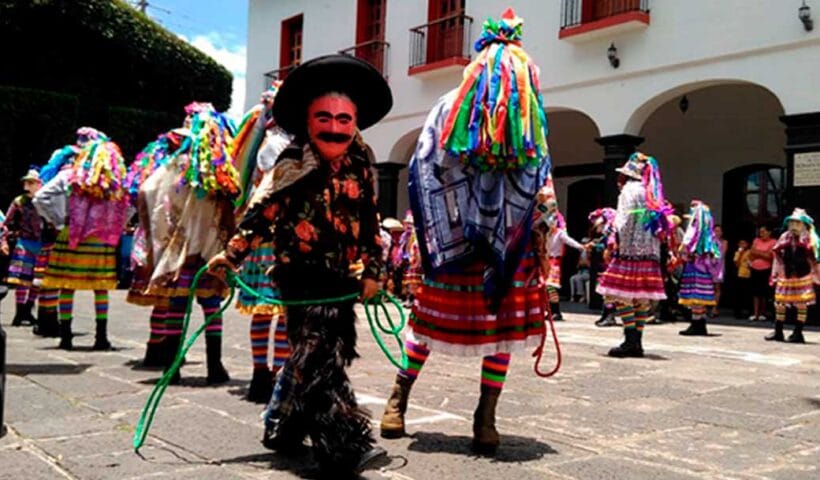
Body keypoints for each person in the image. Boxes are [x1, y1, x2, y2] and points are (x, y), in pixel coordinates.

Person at [208, 54, 392, 475]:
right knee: (320, 361)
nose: (335, 127)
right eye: (324, 117)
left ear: (356, 122)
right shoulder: (290, 164)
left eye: (345, 119)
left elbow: (369, 223)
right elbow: (261, 213)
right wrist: (231, 253)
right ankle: (344, 447)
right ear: (308, 122)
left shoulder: (363, 166)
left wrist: (375, 272)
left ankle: (285, 429)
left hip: (342, 279)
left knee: (319, 356)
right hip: (299, 279)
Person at [379, 9, 551, 455]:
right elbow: (429, 167)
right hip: (458, 243)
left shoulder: (529, 114)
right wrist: (454, 224)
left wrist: (539, 221)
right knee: (428, 323)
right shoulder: (447, 109)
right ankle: (399, 396)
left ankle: (485, 414)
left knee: (502, 330)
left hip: (507, 242)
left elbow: (539, 174)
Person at [130, 103, 237, 384]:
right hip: (210, 250)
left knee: (178, 306)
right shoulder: (220, 170)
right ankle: (215, 366)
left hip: (180, 251)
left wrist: (165, 225)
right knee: (211, 305)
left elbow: (147, 190)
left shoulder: (174, 166)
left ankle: (171, 367)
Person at [33, 130, 129, 351]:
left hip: (71, 236)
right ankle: (101, 337)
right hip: (100, 239)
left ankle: (66, 336)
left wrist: (58, 220)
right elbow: (127, 203)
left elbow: (40, 197)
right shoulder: (111, 179)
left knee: (67, 286)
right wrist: (118, 224)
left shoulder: (68, 175)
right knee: (101, 289)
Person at [230, 84, 293, 402]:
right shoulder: (279, 142)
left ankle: (262, 374)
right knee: (280, 312)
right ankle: (270, 374)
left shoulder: (265, 141)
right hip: (278, 235)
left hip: (265, 235)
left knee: (267, 311)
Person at [596, 153, 672, 357]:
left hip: (629, 251)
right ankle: (637, 342)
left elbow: (623, 220)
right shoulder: (652, 192)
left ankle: (630, 339)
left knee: (620, 296)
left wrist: (613, 242)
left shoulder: (629, 190)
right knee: (640, 298)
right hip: (650, 253)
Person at [766, 208, 819, 343]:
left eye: (797, 223)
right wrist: (777, 271)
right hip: (786, 273)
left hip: (803, 274)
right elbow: (777, 253)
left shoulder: (810, 238)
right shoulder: (785, 236)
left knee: (802, 303)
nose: (794, 226)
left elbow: (815, 257)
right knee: (780, 302)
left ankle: (798, 332)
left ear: (804, 225)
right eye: (792, 223)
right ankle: (778, 331)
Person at [2, 167, 44, 327]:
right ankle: (19, 312)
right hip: (24, 242)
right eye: (27, 182)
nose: (28, 185)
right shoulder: (19, 201)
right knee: (20, 279)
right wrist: (5, 238)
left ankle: (28, 308)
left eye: (32, 182)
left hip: (41, 243)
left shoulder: (43, 200)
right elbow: (5, 221)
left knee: (37, 279)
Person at [541, 178, 585, 320]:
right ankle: (549, 310)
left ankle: (556, 312)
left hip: (554, 261)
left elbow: (569, 241)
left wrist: (581, 247)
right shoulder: (544, 233)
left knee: (551, 286)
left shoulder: (559, 233)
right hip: (545, 260)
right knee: (544, 287)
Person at [677, 200, 722, 336]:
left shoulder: (696, 232)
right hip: (704, 269)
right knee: (699, 297)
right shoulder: (709, 234)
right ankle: (700, 324)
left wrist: (684, 252)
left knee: (695, 296)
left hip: (695, 268)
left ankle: (696, 324)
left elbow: (687, 247)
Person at [588, 208, 618, 327]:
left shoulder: (613, 233)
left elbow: (610, 247)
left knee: (609, 291)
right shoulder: (606, 234)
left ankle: (610, 315)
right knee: (605, 290)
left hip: (612, 264)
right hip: (606, 265)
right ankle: (605, 314)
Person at [748, 225, 776, 321]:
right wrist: (762, 253)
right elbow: (751, 253)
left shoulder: (773, 242)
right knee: (755, 292)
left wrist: (757, 253)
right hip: (755, 268)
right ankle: (755, 313)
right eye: (760, 232)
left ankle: (762, 313)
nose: (761, 234)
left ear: (769, 232)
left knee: (764, 292)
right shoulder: (756, 240)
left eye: (764, 232)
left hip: (766, 269)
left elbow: (769, 256)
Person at [710, 224, 729, 317]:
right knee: (709, 287)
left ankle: (715, 308)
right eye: (715, 231)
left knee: (717, 287)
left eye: (719, 231)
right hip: (709, 265)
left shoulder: (724, 242)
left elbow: (722, 253)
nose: (717, 233)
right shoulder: (709, 241)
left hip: (719, 265)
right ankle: (706, 306)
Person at [733, 239, 752, 318]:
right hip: (740, 274)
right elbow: (736, 264)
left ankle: (748, 311)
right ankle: (738, 312)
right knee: (739, 294)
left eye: (744, 243)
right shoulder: (737, 253)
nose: (742, 245)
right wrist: (740, 254)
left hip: (748, 274)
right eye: (741, 243)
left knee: (747, 294)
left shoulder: (750, 252)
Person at [570, 238, 591, 303]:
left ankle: (582, 296)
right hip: (581, 271)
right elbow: (578, 265)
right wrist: (580, 263)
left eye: (585, 243)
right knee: (572, 278)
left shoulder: (590, 252)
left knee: (579, 278)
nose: (584, 245)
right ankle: (573, 295)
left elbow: (589, 264)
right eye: (582, 243)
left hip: (588, 272)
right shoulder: (581, 253)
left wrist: (584, 262)